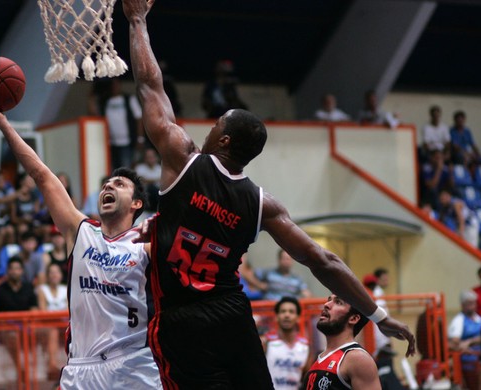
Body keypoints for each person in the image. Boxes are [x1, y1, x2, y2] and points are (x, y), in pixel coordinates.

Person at [122, 1, 414, 387]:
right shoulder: (263, 205)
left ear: (223, 140)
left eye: (215, 126)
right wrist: (377, 315)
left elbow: (149, 84)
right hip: (231, 315)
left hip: (180, 319)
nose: (208, 130)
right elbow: (323, 260)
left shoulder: (184, 159)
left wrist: (137, 20)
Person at [0, 90, 163, 390]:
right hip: (81, 368)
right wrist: (4, 123)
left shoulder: (148, 245)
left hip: (134, 363)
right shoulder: (81, 231)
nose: (109, 186)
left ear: (136, 204)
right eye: (107, 183)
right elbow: (41, 175)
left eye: (120, 184)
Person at [302, 294, 380, 390]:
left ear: (353, 318)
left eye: (338, 302)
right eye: (329, 299)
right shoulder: (321, 357)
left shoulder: (358, 358)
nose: (326, 304)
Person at [265, 296, 311, 390]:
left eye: (291, 312)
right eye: (283, 311)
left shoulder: (306, 347)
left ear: (298, 318)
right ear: (276, 317)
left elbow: (306, 379)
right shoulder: (266, 343)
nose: (287, 315)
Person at [37, 262, 69, 376]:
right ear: (47, 275)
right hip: (48, 324)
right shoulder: (42, 289)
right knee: (53, 331)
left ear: (61, 275)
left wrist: (56, 314)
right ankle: (52, 365)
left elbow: (68, 310)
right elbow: (43, 311)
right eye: (51, 273)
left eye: (57, 272)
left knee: (76, 329)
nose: (54, 275)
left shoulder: (65, 288)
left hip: (63, 323)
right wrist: (59, 315)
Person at [449, 290, 481, 390]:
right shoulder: (459, 320)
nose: (472, 306)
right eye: (469, 303)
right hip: (467, 364)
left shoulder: (479, 319)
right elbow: (454, 343)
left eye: (474, 303)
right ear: (463, 305)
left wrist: (469, 342)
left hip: (480, 361)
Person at [9, 173, 41, 237]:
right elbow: (13, 218)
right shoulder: (14, 197)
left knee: (45, 229)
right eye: (30, 180)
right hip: (19, 223)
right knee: (23, 228)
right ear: (21, 182)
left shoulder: (35, 195)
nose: (33, 182)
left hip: (32, 222)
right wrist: (23, 219)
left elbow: (37, 212)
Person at [134, 148, 162, 212]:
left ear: (156, 158)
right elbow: (140, 181)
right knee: (150, 188)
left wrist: (147, 180)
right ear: (145, 158)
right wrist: (156, 179)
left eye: (152, 157)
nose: (151, 159)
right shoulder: (139, 168)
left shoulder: (160, 168)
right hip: (145, 194)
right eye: (148, 157)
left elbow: (162, 182)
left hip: (158, 195)